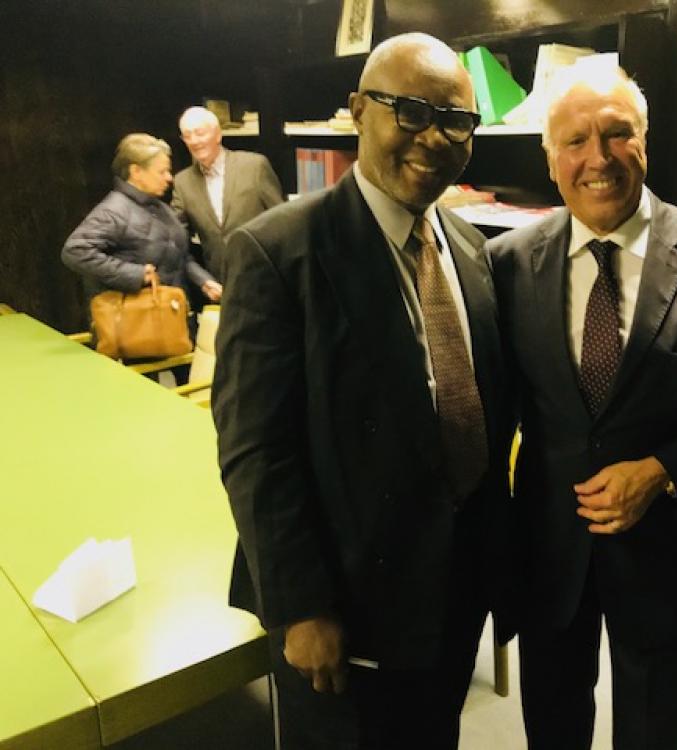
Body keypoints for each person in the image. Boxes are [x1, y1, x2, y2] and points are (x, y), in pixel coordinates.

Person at [212, 33, 513, 750]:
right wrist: (300, 607)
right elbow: (256, 452)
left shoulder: (470, 248)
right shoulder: (278, 251)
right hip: (345, 606)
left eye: (456, 120)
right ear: (357, 110)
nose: (433, 137)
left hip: (452, 587)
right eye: (410, 111)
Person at [487, 66, 677, 749]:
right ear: (550, 158)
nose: (597, 158)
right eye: (575, 141)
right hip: (549, 558)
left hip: (665, 563)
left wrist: (663, 471)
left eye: (617, 134)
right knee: (552, 732)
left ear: (644, 142)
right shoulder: (506, 264)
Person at [62, 133, 221, 327]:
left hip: (170, 317)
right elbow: (75, 251)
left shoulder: (161, 208)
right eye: (161, 172)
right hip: (133, 325)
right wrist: (135, 274)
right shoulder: (112, 211)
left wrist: (203, 281)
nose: (169, 178)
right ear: (136, 171)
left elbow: (179, 255)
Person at [172, 106, 283, 282]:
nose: (194, 141)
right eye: (187, 136)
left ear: (218, 134)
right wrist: (202, 280)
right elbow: (176, 241)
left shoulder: (254, 167)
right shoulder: (182, 182)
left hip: (264, 275)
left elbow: (281, 222)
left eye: (200, 133)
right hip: (219, 281)